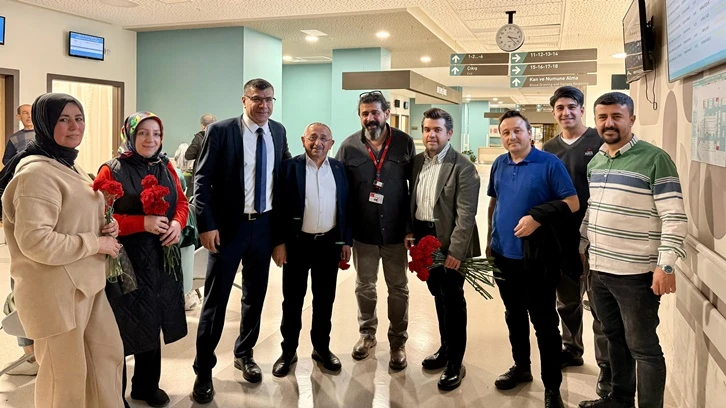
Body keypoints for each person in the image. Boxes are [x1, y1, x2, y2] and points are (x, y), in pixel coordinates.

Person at [1, 93, 124, 407]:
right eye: (63, 119)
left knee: (104, 361)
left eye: (79, 118)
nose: (74, 126)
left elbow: (74, 217)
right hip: (56, 293)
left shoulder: (66, 163)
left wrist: (106, 226)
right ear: (45, 124)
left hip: (86, 284)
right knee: (65, 380)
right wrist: (95, 243)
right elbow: (36, 241)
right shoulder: (35, 174)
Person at [578, 92, 687, 408]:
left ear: (632, 119)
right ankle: (620, 399)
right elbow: (592, 210)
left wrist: (666, 265)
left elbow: (674, 216)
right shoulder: (596, 161)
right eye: (602, 117)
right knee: (614, 338)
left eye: (617, 116)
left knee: (644, 349)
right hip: (600, 270)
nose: (609, 123)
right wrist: (582, 249)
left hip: (636, 274)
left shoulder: (655, 159)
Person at [192, 78, 290, 403]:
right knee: (216, 301)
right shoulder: (220, 131)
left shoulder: (278, 131)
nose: (264, 105)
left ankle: (244, 353)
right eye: (257, 99)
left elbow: (284, 181)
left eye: (269, 99)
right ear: (244, 100)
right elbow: (202, 179)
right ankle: (203, 370)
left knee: (255, 296)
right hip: (227, 229)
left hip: (263, 228)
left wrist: (281, 237)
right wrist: (206, 225)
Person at [95, 112, 189, 408]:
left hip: (161, 259)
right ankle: (115, 394)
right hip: (125, 261)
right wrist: (141, 223)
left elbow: (182, 203)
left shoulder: (166, 165)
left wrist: (177, 224)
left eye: (156, 134)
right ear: (130, 135)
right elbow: (100, 219)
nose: (151, 140)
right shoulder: (111, 169)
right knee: (122, 326)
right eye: (143, 133)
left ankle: (146, 386)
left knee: (152, 319)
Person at [487, 110, 579, 408]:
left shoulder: (549, 163)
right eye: (505, 132)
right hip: (504, 256)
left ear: (530, 134)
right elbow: (495, 202)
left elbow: (572, 202)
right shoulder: (499, 164)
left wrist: (538, 217)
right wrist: (490, 241)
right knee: (514, 316)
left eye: (517, 131)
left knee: (544, 323)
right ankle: (521, 367)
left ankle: (552, 386)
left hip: (538, 259)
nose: (512, 136)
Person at [335, 91, 415, 370]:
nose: (370, 118)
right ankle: (367, 335)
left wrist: (410, 229)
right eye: (365, 113)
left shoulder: (404, 143)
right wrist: (344, 236)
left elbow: (413, 190)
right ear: (360, 116)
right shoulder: (348, 147)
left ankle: (398, 341)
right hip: (364, 233)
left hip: (395, 233)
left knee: (398, 288)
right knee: (364, 287)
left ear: (386, 114)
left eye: (375, 112)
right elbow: (341, 194)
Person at [543, 86, 611, 396]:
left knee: (600, 305)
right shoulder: (549, 149)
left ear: (582, 109)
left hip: (597, 236)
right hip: (561, 237)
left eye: (571, 106)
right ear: (554, 113)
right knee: (567, 301)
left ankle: (606, 365)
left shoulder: (600, 141)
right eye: (560, 108)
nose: (566, 112)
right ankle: (571, 349)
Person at [270, 122, 352, 376]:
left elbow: (346, 207)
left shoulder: (339, 169)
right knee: (292, 301)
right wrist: (279, 243)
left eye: (324, 138)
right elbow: (277, 208)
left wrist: (345, 241)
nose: (318, 143)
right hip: (296, 245)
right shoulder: (288, 168)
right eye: (313, 137)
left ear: (331, 143)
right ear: (303, 140)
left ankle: (321, 349)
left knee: (325, 300)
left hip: (328, 244)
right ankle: (288, 351)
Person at [407, 108, 480, 390]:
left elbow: (466, 215)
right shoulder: (416, 162)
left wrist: (456, 253)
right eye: (427, 129)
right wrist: (411, 231)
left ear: (449, 133)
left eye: (437, 130)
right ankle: (446, 348)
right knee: (437, 294)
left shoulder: (462, 167)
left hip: (451, 242)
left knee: (453, 300)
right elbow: (413, 200)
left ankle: (455, 363)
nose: (431, 135)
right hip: (425, 239)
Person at [184, 113, 217, 198]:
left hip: (200, 179)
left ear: (202, 126)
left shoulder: (199, 138)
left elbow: (188, 155)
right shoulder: (222, 137)